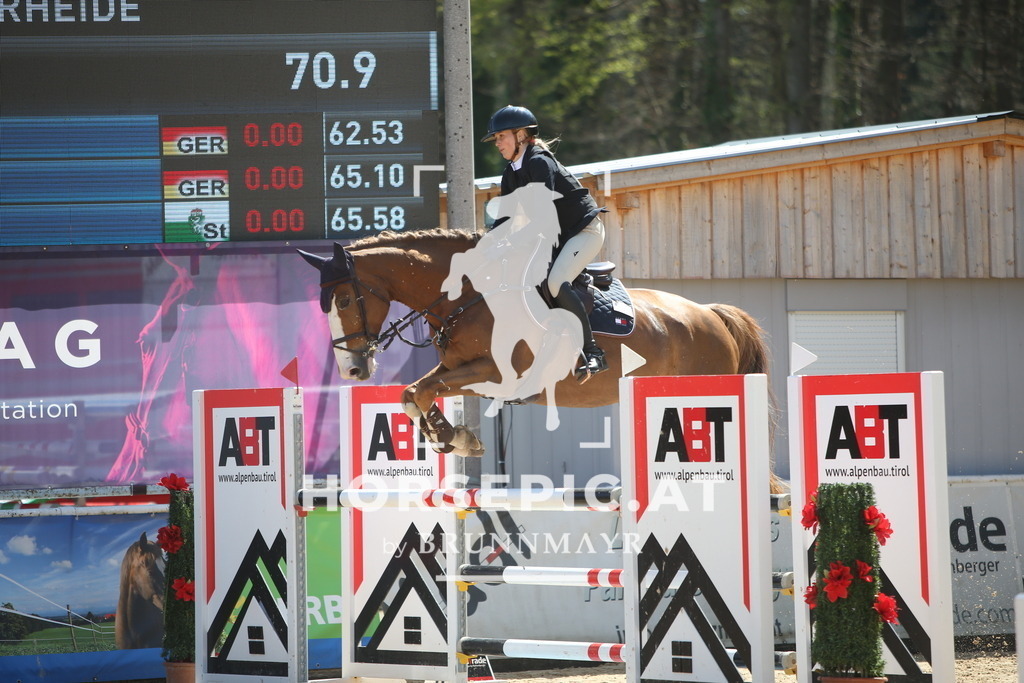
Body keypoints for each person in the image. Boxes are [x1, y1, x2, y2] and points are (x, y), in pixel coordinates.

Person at [481, 105, 608, 382]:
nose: (498, 143)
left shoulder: (539, 162)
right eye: (496, 138)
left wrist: (508, 244)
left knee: (554, 281)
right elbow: (506, 221)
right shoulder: (511, 171)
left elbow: (542, 221)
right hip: (558, 237)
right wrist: (486, 246)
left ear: (522, 134)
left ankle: (593, 352)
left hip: (584, 231)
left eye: (502, 136)